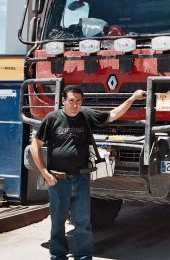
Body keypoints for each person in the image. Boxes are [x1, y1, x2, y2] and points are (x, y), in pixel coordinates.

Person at [31, 84, 146, 260]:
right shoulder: (52, 119)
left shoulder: (86, 115)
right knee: (57, 223)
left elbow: (113, 115)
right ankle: (57, 255)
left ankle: (84, 256)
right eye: (71, 101)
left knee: (83, 223)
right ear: (63, 101)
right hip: (58, 180)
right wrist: (45, 173)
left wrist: (132, 98)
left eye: (78, 101)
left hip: (81, 179)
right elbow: (35, 146)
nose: (75, 105)